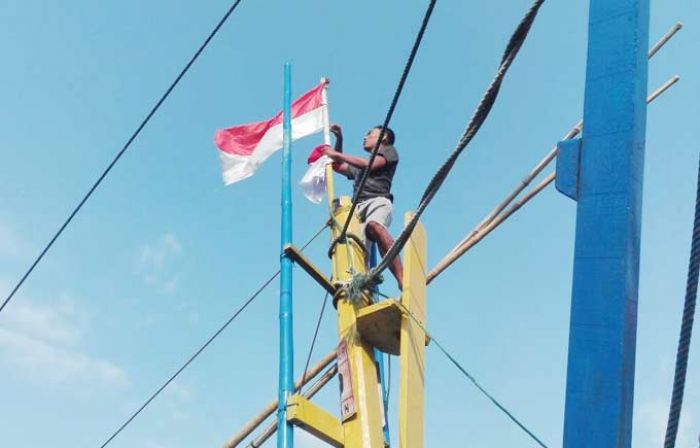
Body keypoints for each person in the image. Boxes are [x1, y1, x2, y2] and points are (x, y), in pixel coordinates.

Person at [322, 124, 403, 290]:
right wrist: (339, 140)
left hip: (377, 201)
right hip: (358, 210)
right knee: (358, 252)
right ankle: (365, 284)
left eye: (370, 134)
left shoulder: (389, 151)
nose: (365, 137)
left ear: (384, 138)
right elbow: (338, 165)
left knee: (375, 227)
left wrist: (336, 153)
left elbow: (369, 165)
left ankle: (402, 279)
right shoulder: (358, 167)